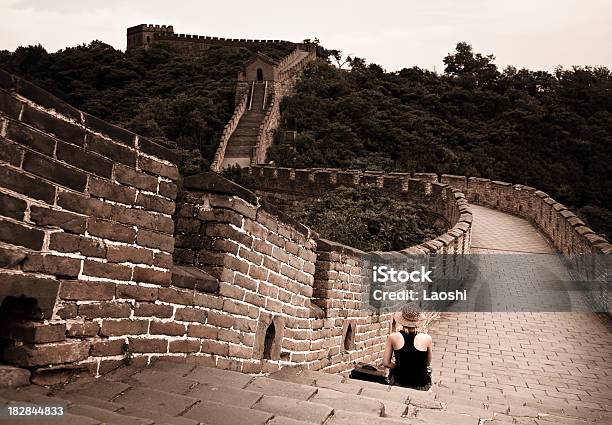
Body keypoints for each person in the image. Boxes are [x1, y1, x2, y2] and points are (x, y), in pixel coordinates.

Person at [383, 310, 433, 390]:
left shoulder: (392, 337)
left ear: (402, 320)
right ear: (418, 320)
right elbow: (427, 363)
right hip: (421, 384)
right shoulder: (427, 338)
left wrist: (402, 366)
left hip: (399, 382)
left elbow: (386, 363)